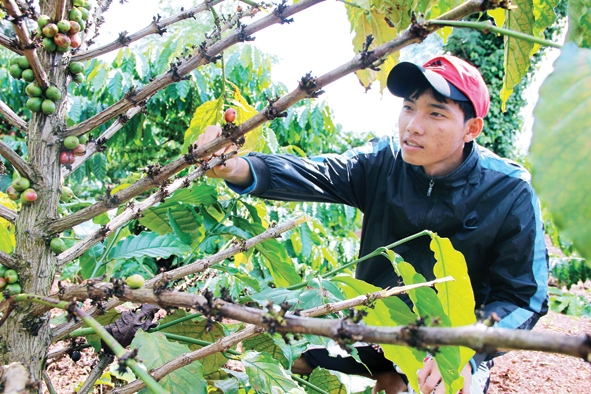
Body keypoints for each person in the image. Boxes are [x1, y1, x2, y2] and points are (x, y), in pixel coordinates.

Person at [194, 55, 549, 393]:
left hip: (449, 343)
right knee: (285, 356)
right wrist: (237, 167)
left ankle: (404, 378)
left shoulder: (508, 191)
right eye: (408, 107)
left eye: (435, 113)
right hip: (373, 326)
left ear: (471, 128)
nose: (413, 125)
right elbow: (317, 172)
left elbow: (524, 298)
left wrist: (470, 344)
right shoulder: (383, 162)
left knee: (452, 386)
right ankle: (389, 373)